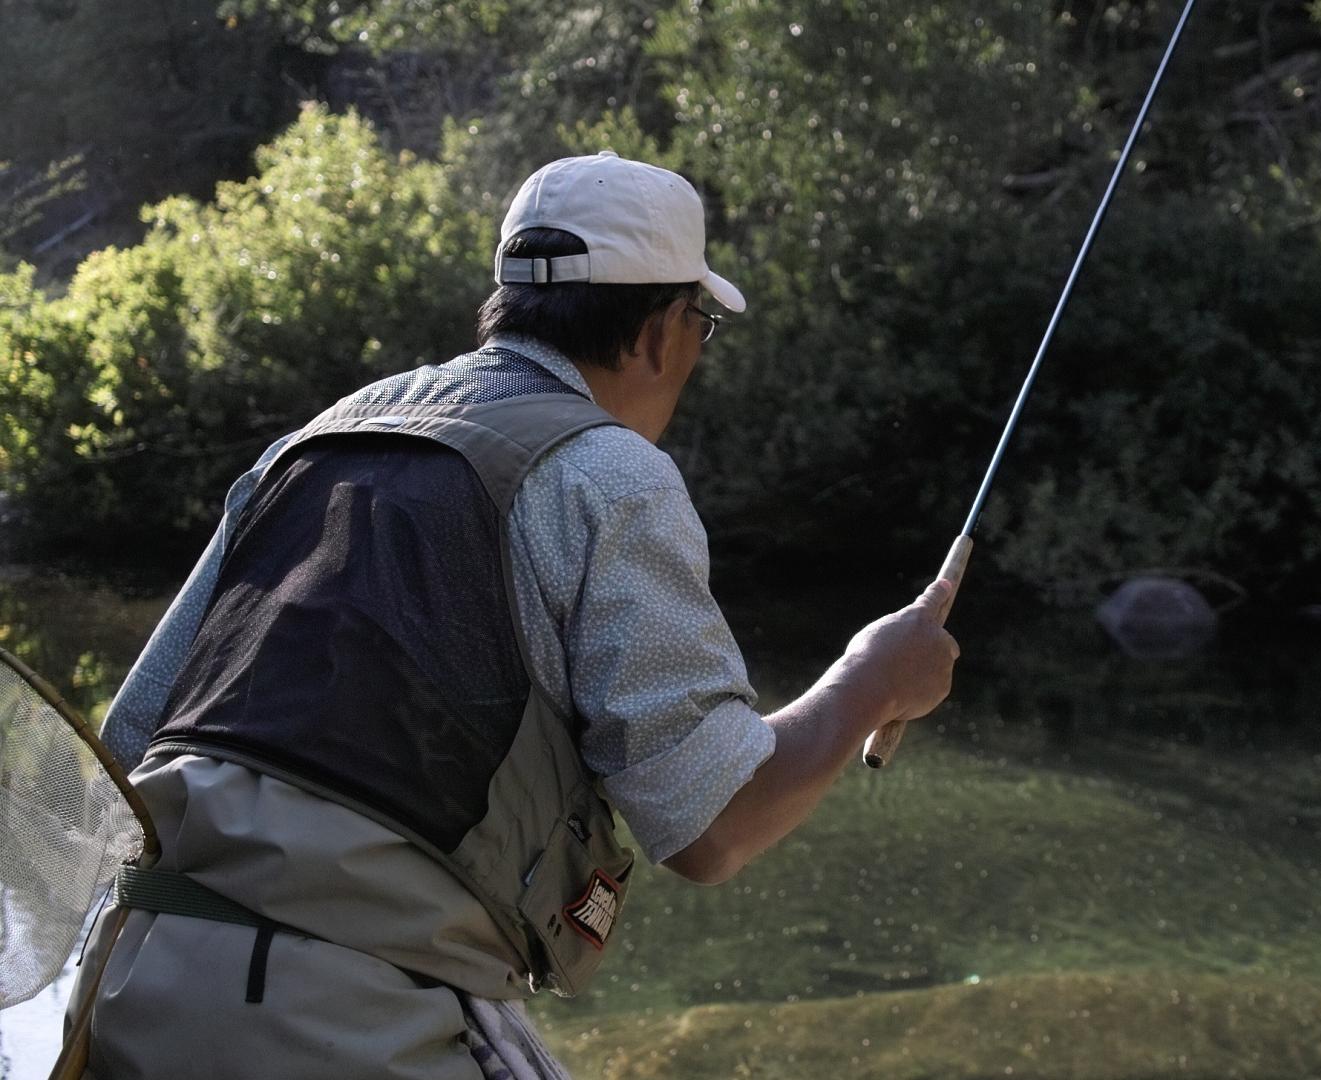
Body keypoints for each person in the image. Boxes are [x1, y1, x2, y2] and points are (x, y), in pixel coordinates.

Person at [70, 150, 959, 1079]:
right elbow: (714, 825)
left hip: (133, 987)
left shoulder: (315, 440)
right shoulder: (612, 475)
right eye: (704, 322)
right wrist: (872, 680)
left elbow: (132, 739)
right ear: (663, 331)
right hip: (335, 1023)